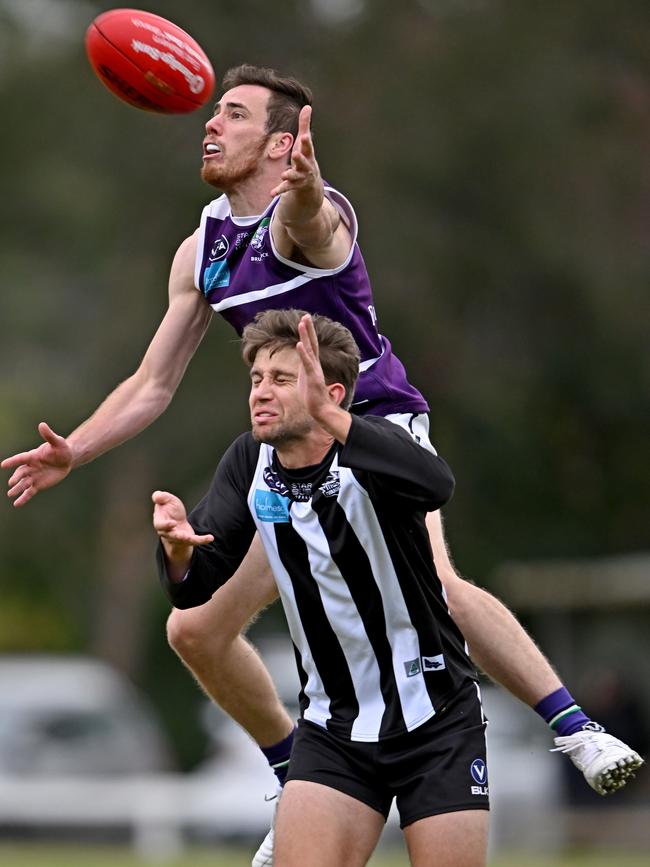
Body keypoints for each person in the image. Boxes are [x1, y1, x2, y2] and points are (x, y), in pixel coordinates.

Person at [2, 64, 642, 866]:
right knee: (194, 627)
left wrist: (305, 187)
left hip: (371, 433)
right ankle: (291, 774)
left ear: (281, 146)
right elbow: (154, 381)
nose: (209, 124)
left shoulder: (308, 213)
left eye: (231, 115)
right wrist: (77, 449)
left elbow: (310, 220)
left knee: (438, 586)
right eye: (212, 113)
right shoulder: (200, 247)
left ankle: (574, 726)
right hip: (287, 453)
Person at [154, 309, 489, 867]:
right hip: (334, 729)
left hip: (436, 720)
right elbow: (194, 592)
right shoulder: (248, 462)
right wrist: (179, 551)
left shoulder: (377, 448)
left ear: (331, 393)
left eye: (282, 380)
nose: (261, 392)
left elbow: (437, 483)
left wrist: (336, 421)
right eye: (257, 379)